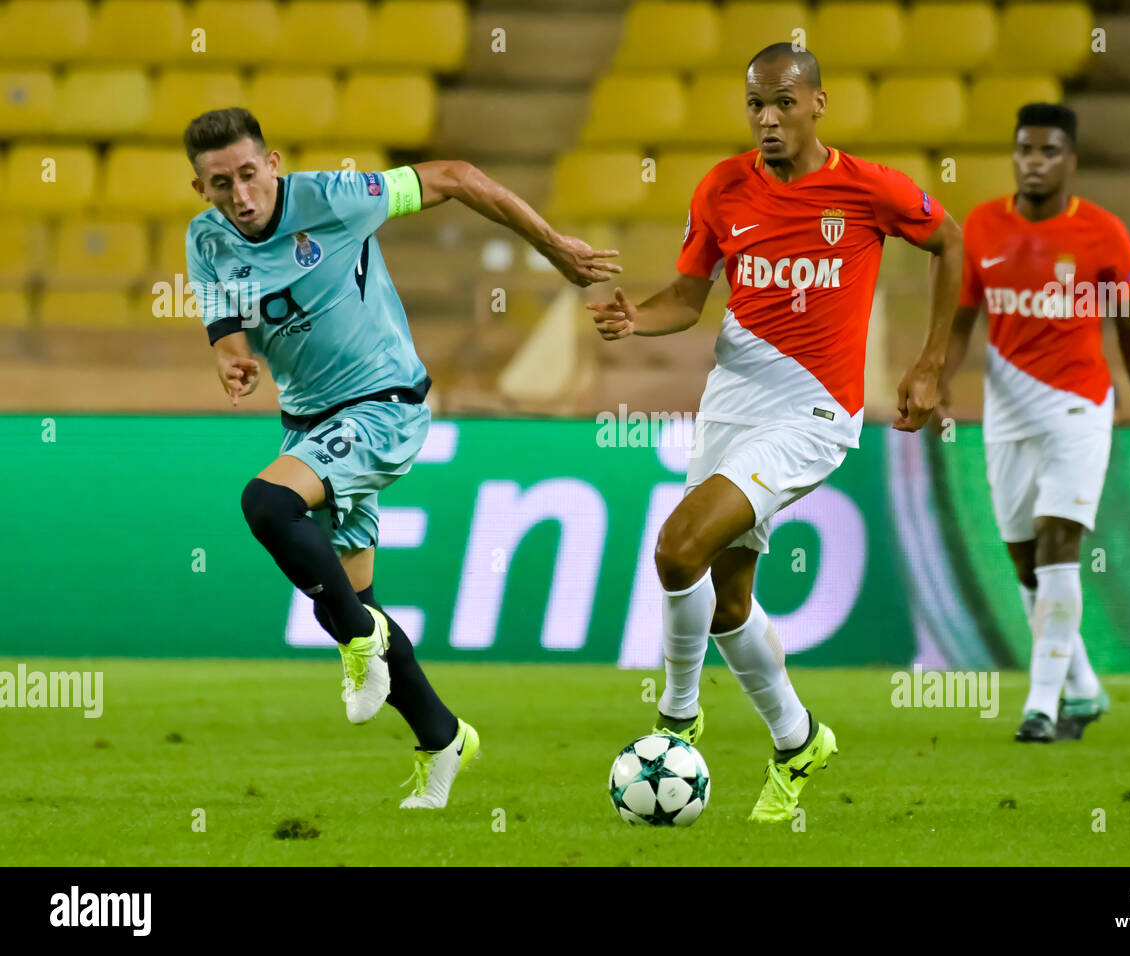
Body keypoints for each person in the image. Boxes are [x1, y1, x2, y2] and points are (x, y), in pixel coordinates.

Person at [184, 107, 620, 806]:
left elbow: (455, 175)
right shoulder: (206, 241)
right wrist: (233, 363)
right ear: (200, 189)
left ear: (272, 165)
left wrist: (553, 246)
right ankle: (443, 739)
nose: (239, 195)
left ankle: (361, 645)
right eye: (219, 183)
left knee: (267, 504)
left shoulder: (331, 198)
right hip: (308, 424)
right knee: (348, 599)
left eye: (246, 174)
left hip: (384, 405)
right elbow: (228, 327)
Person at [588, 44, 963, 820]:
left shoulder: (866, 189)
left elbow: (950, 244)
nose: (768, 118)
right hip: (730, 405)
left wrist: (931, 364)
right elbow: (687, 299)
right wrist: (637, 318)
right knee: (726, 602)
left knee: (676, 546)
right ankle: (798, 742)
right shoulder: (722, 188)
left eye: (784, 102)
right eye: (756, 104)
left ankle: (677, 717)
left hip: (815, 413)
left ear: (818, 104)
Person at [937, 103, 1130, 742]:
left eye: (1048, 152)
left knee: (1058, 541)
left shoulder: (1107, 235)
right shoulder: (981, 227)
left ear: (1071, 159)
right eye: (1025, 150)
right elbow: (959, 324)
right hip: (1006, 416)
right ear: (1013, 155)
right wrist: (936, 378)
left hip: (1080, 407)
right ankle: (1085, 688)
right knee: (1025, 564)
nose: (1034, 162)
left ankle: (1040, 707)